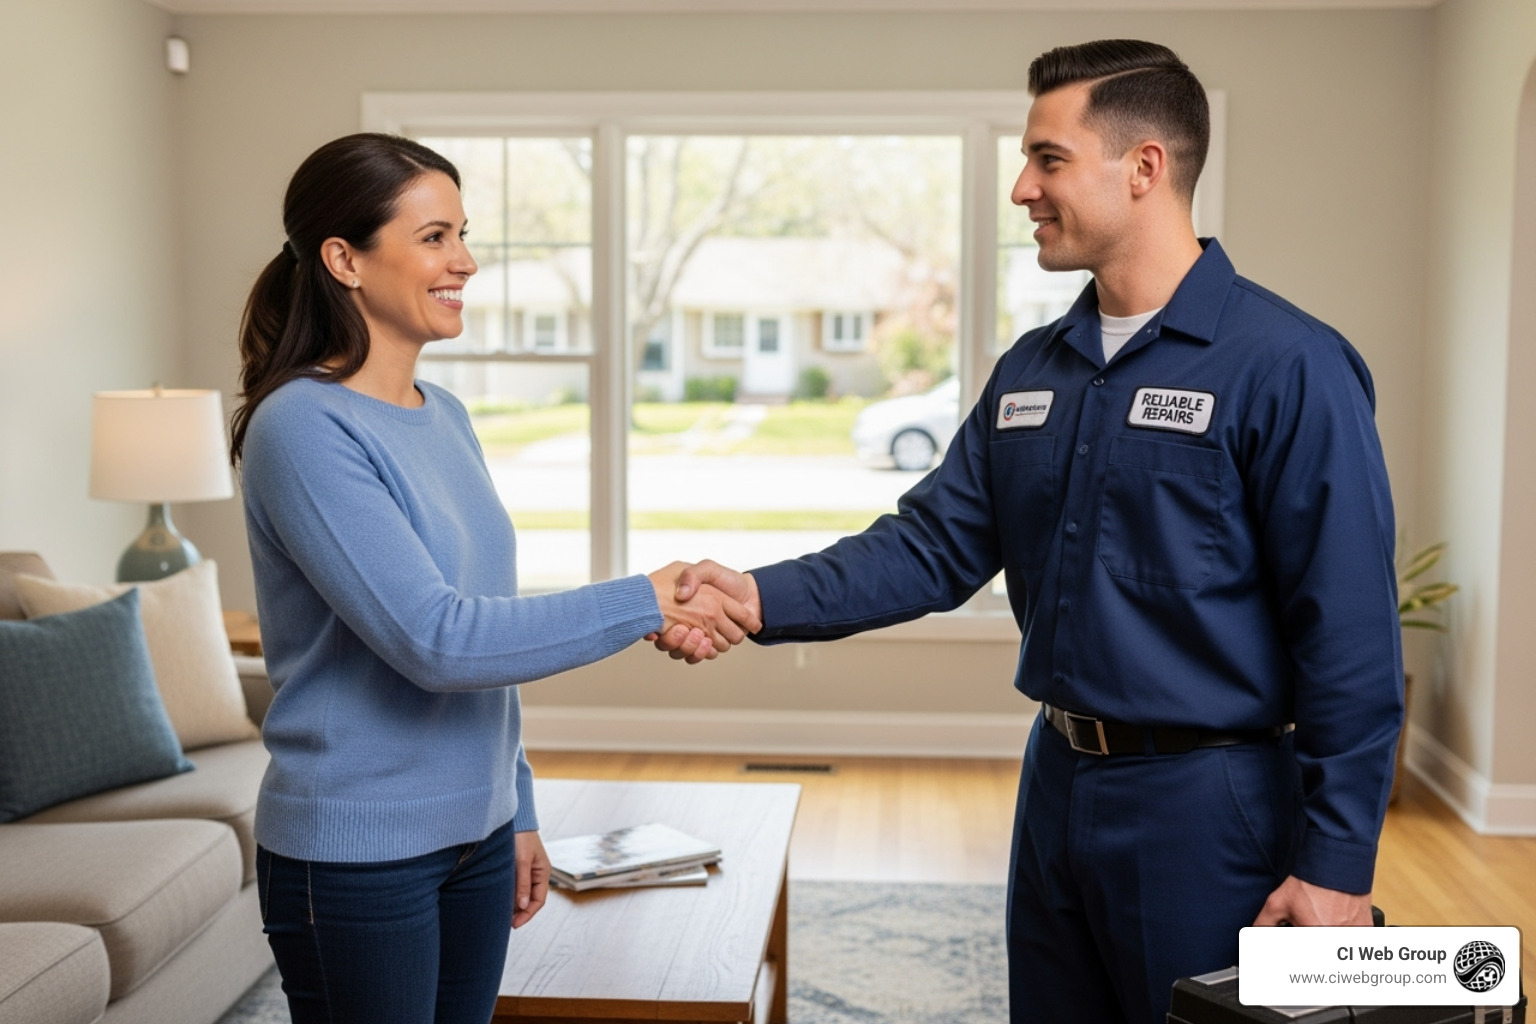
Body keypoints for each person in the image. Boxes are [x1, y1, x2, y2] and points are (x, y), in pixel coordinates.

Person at [657, 39, 1404, 1024]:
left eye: (1048, 159)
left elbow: (1349, 631)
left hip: (1208, 802)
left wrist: (1338, 865)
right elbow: (931, 545)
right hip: (1056, 782)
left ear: (1144, 168)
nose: (1022, 188)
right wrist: (757, 597)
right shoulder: (1033, 371)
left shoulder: (1289, 366)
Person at [230, 133, 759, 1024]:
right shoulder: (304, 428)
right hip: (359, 854)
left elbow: (488, 627)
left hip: (473, 840)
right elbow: (436, 640)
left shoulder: (446, 417)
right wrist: (644, 599)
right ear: (344, 259)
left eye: (463, 235)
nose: (465, 262)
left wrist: (512, 807)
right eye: (435, 237)